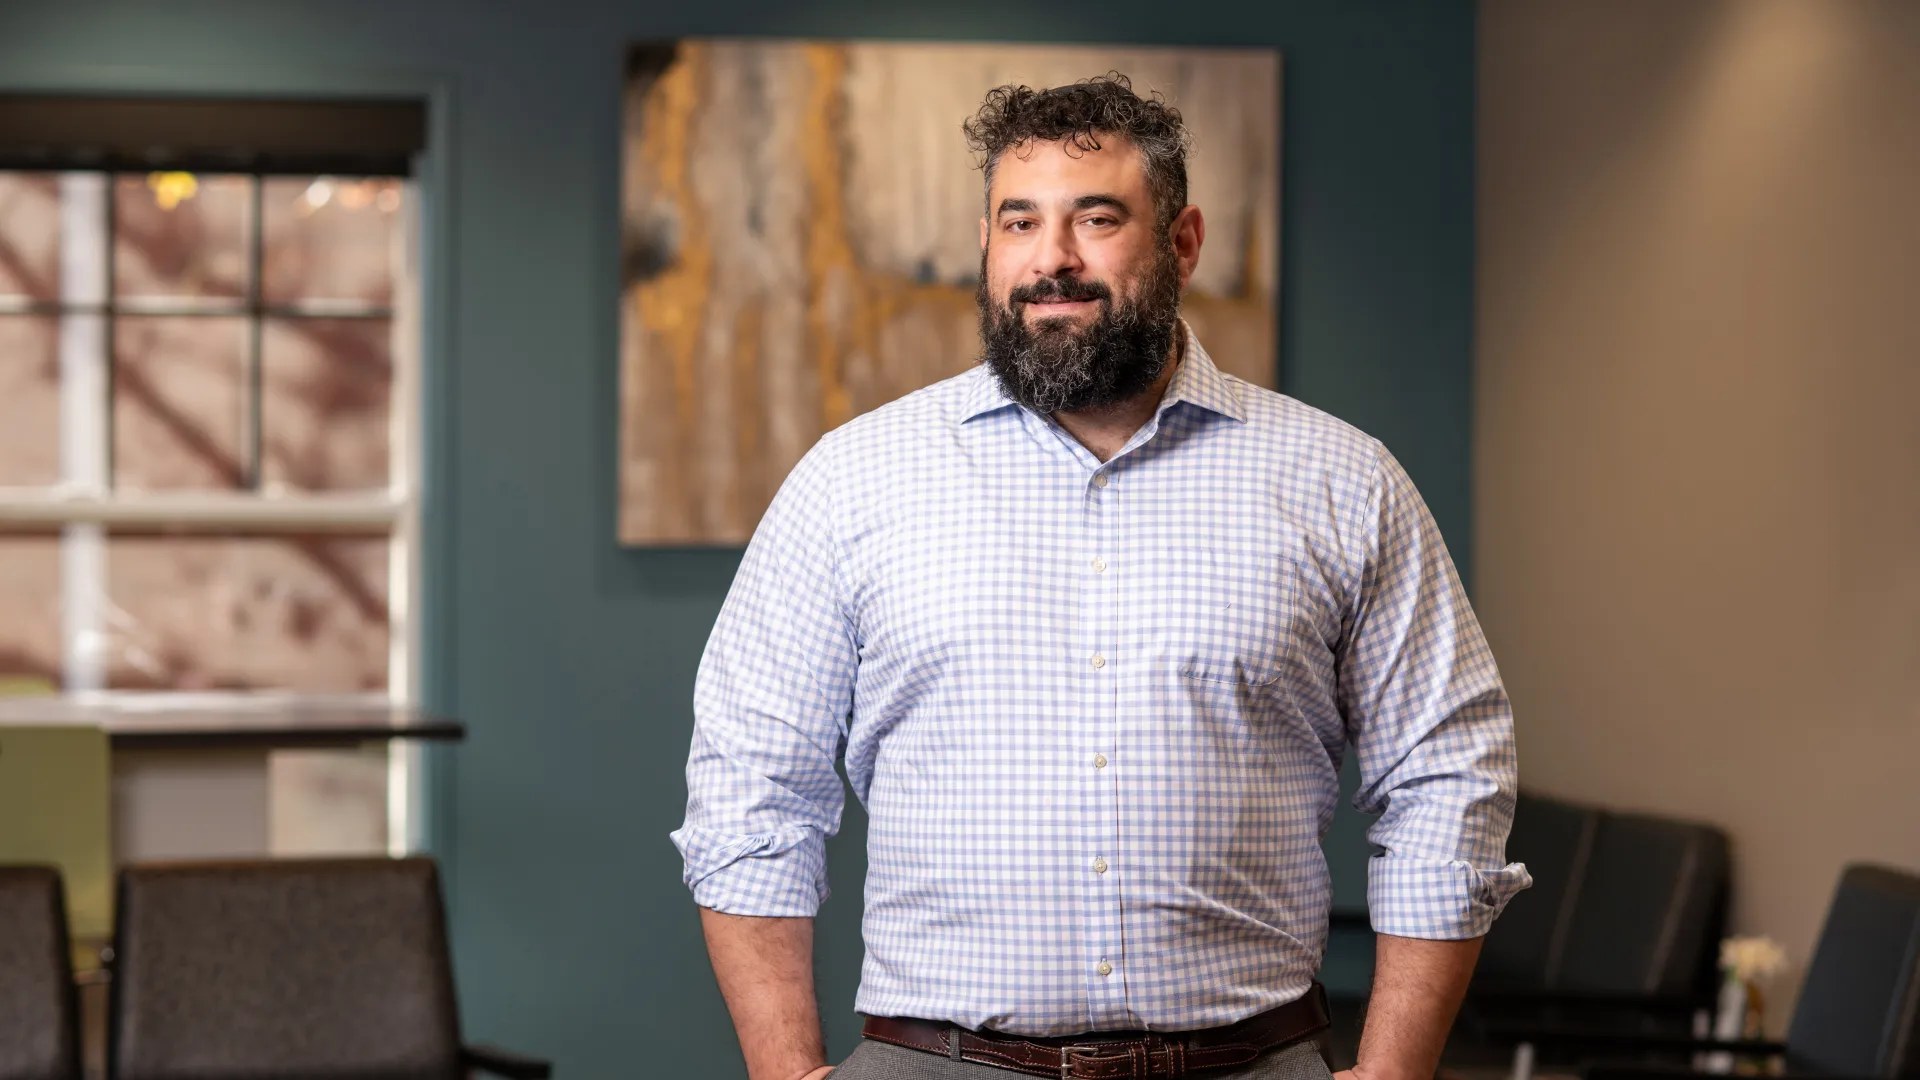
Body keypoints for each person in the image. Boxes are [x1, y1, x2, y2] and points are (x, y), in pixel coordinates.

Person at [672, 74, 1529, 1080]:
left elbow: (1447, 775)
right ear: (987, 245)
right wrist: (784, 1072)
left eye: (1098, 218)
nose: (1052, 259)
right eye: (1019, 221)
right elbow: (750, 787)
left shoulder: (1343, 482)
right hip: (934, 1060)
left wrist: (1395, 1072)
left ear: (1184, 241)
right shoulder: (852, 482)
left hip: (1249, 1060)